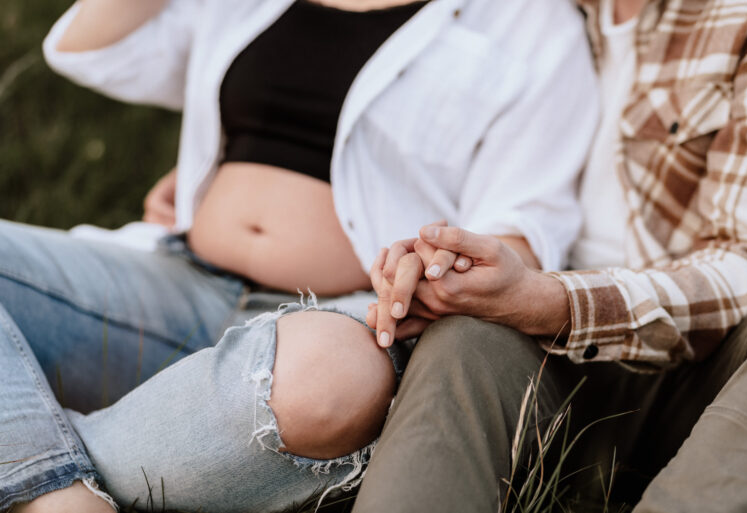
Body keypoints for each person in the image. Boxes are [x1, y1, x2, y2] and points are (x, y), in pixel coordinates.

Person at [0, 0, 598, 511]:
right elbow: (89, 50)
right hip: (170, 278)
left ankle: (26, 448)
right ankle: (58, 494)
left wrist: (431, 265)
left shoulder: (533, 23)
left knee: (332, 383)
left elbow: (523, 228)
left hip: (336, 322)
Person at [352, 0, 747, 511]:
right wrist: (439, 268)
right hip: (550, 359)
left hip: (700, 376)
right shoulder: (532, 17)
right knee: (462, 339)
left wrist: (548, 299)